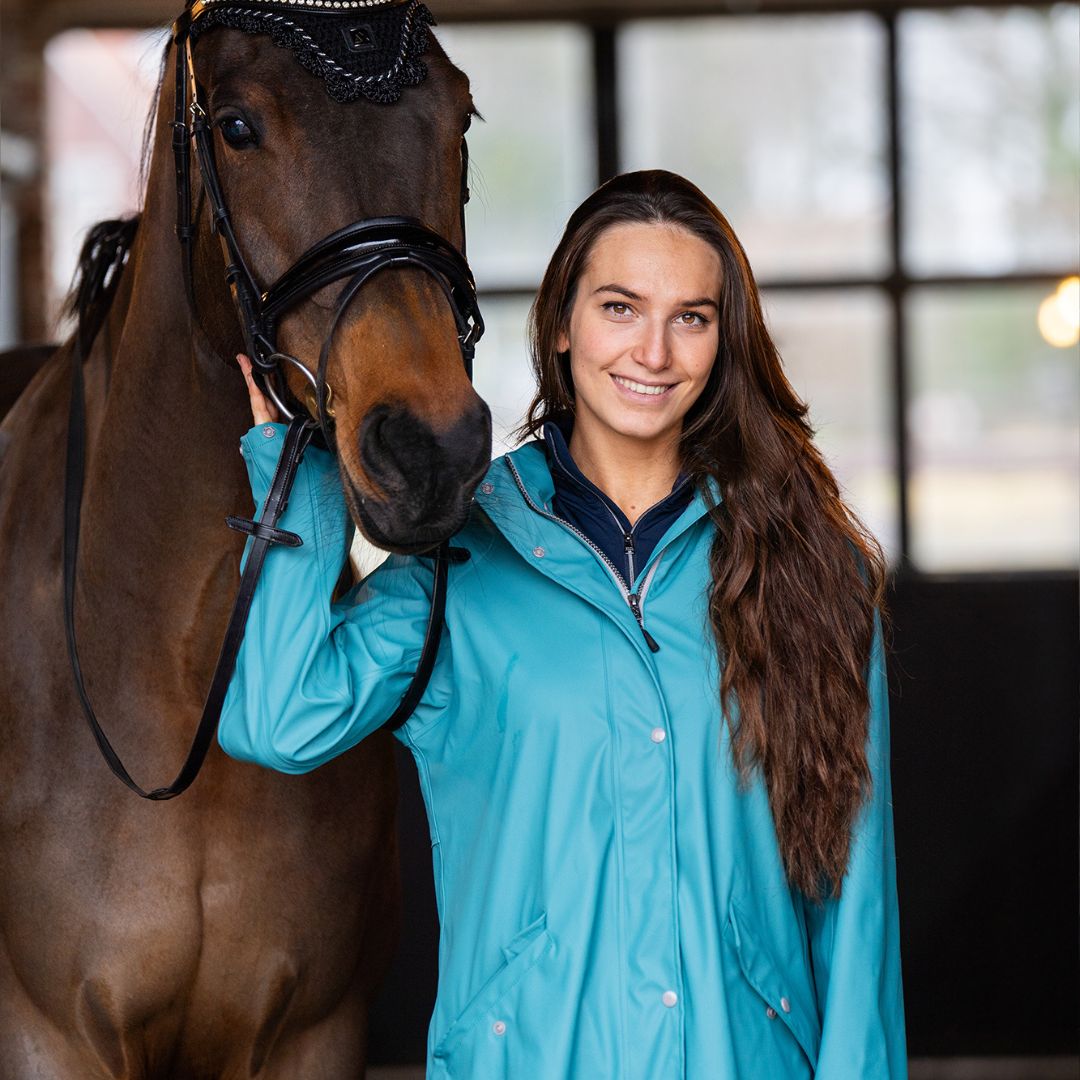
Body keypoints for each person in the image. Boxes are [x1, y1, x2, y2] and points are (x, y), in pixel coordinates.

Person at [221, 169, 907, 1078]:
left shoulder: (811, 571)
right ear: (561, 323)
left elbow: (855, 908)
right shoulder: (459, 564)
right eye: (620, 307)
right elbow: (277, 719)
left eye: (691, 317)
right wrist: (300, 470)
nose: (653, 352)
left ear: (723, 344)